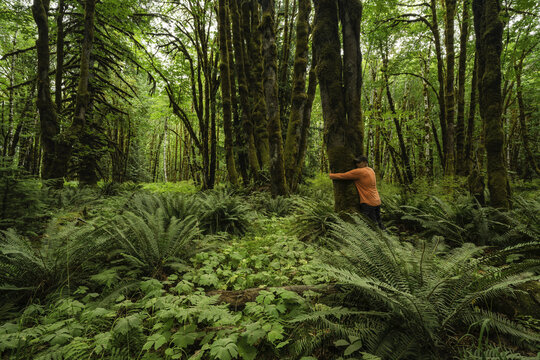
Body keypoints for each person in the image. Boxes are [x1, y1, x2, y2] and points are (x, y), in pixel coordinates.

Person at [329, 156, 384, 229]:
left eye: (359, 162)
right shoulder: (371, 170)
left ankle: (374, 239)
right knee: (379, 222)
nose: (356, 164)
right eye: (356, 162)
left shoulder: (360, 171)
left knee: (370, 226)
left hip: (368, 202)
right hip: (377, 201)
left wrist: (330, 175)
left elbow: (343, 176)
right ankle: (385, 236)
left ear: (365, 163)